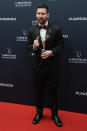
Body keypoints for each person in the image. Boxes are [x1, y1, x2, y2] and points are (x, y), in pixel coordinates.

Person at [27, 3, 64, 127]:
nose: (40, 16)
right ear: (36, 15)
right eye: (38, 13)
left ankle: (54, 115)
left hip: (52, 67)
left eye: (43, 13)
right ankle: (39, 113)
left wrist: (51, 52)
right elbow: (27, 46)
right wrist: (34, 46)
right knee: (39, 92)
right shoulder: (32, 30)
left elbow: (61, 45)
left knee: (52, 92)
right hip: (38, 67)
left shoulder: (56, 29)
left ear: (48, 15)